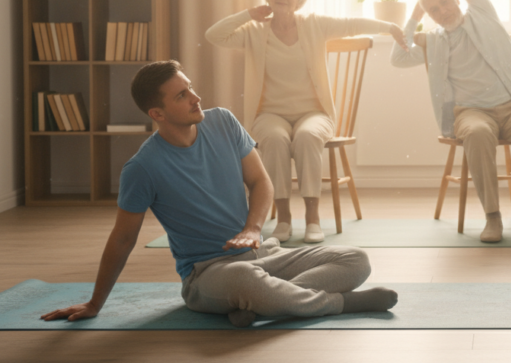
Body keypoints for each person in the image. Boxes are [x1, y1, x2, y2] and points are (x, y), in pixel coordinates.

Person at [41, 61, 397, 327]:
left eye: (191, 87)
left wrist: (254, 229)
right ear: (157, 113)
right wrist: (95, 303)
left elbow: (261, 182)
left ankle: (262, 306)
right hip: (209, 274)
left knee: (355, 259)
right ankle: (339, 303)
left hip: (264, 255)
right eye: (182, 95)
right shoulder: (142, 168)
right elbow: (122, 240)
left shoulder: (223, 122)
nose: (196, 98)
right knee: (246, 281)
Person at [206, 0, 407, 243]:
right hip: (268, 114)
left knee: (307, 136)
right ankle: (285, 219)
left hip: (314, 113)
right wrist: (247, 15)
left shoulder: (314, 24)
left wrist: (390, 27)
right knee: (275, 140)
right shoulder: (254, 31)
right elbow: (213, 35)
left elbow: (351, 24)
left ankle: (313, 219)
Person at [390, 0, 511, 244]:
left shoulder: (482, 13)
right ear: (429, 16)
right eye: (434, 10)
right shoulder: (434, 41)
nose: (443, 11)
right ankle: (492, 217)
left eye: (445, 2)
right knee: (479, 134)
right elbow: (397, 59)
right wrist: (415, 13)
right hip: (471, 113)